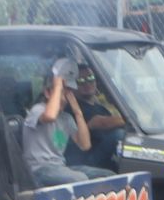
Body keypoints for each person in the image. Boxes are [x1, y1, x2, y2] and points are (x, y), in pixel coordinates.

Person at [22, 57, 109, 187]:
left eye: (68, 91)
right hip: (39, 169)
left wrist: (78, 113)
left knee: (107, 176)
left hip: (60, 167)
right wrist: (57, 85)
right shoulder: (38, 110)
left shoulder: (66, 118)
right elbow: (50, 116)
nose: (66, 95)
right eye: (63, 91)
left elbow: (85, 145)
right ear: (47, 93)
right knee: (80, 179)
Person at [65, 64, 126, 171]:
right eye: (81, 81)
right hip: (85, 159)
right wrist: (130, 121)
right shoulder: (73, 108)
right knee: (119, 135)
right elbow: (101, 123)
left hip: (106, 155)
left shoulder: (100, 107)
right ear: (72, 86)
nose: (87, 83)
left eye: (91, 78)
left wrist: (110, 97)